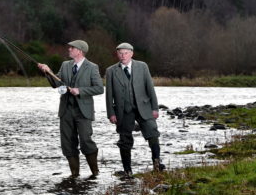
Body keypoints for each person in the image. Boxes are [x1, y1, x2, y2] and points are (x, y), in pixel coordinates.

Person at [38, 40, 104, 178]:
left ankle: (95, 173)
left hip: (83, 111)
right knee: (67, 143)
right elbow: (56, 83)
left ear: (79, 51)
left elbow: (99, 88)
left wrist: (80, 90)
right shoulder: (65, 65)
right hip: (66, 110)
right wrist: (48, 71)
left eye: (72, 48)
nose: (69, 49)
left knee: (86, 141)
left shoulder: (92, 67)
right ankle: (75, 175)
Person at [105, 42, 165, 178]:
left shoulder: (142, 66)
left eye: (126, 53)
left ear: (131, 54)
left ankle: (157, 164)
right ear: (117, 54)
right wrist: (111, 113)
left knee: (153, 134)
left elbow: (150, 88)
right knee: (124, 140)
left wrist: (155, 108)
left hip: (144, 107)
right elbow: (109, 95)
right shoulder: (111, 71)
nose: (123, 55)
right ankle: (127, 171)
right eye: (120, 53)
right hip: (123, 110)